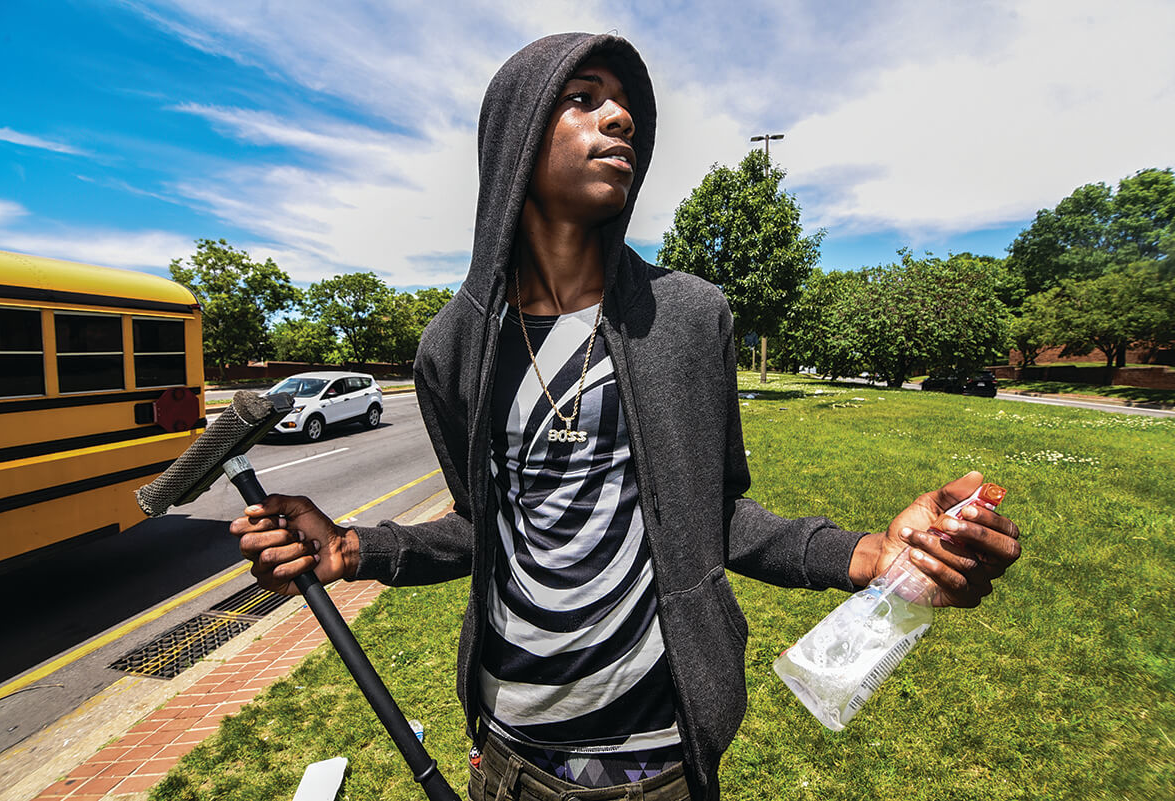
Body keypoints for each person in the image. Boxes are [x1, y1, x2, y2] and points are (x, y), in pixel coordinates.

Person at [231, 32, 1022, 801]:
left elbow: (713, 514)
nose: (618, 120)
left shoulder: (688, 317)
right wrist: (354, 545)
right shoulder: (454, 345)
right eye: (583, 100)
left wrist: (871, 554)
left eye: (626, 113)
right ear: (513, 141)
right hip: (509, 754)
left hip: (658, 758)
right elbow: (486, 526)